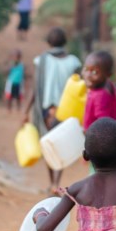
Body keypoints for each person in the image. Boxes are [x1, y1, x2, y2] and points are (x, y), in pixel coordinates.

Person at [23, 27, 81, 191]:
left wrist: (25, 111)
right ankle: (56, 181)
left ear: (48, 42)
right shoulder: (74, 62)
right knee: (60, 145)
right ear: (65, 42)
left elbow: (35, 88)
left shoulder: (41, 61)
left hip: (45, 110)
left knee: (48, 145)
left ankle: (52, 183)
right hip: (66, 110)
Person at [82, 51, 116, 131]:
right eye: (86, 69)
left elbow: (103, 125)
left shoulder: (100, 95)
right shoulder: (106, 86)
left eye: (95, 72)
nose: (88, 75)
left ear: (108, 75)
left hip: (97, 139)